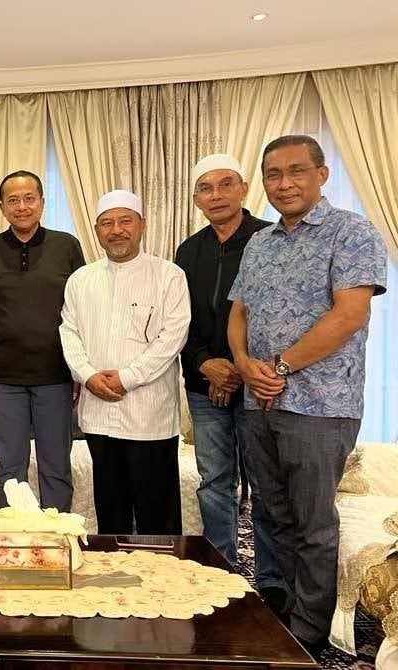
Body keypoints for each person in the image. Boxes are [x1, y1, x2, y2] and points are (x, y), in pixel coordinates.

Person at [228, 135, 387, 654]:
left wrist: (278, 365)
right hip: (260, 401)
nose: (284, 183)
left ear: (322, 175)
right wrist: (246, 365)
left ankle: (308, 632)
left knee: (313, 521)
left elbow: (349, 315)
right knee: (271, 515)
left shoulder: (353, 232)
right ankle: (281, 607)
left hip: (321, 405)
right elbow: (240, 314)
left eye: (296, 171)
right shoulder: (261, 242)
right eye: (273, 175)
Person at [175, 153, 284, 601]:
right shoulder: (189, 250)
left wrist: (240, 368)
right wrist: (205, 363)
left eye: (225, 185)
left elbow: (279, 316)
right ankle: (220, 569)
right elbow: (179, 320)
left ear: (243, 189)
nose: (216, 195)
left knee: (264, 483)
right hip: (205, 385)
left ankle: (272, 581)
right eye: (206, 188)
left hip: (259, 383)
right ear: (197, 198)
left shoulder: (271, 240)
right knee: (215, 481)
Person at [60, 189, 190, 535]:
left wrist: (127, 378)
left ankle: (163, 582)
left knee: (156, 513)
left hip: (149, 415)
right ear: (97, 229)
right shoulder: (81, 280)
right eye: (107, 223)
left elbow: (172, 338)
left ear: (142, 225)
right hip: (98, 415)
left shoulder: (169, 276)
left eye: (125, 221)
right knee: (111, 510)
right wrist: (87, 375)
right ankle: (115, 581)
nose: (116, 230)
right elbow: (68, 332)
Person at [0, 170, 85, 510]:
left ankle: (58, 546)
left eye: (29, 198)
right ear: (2, 207)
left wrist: (79, 370)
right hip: (3, 380)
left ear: (42, 203)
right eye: (13, 200)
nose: (22, 206)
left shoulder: (67, 246)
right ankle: (12, 549)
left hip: (56, 377)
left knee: (56, 467)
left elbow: (81, 313)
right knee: (11, 469)